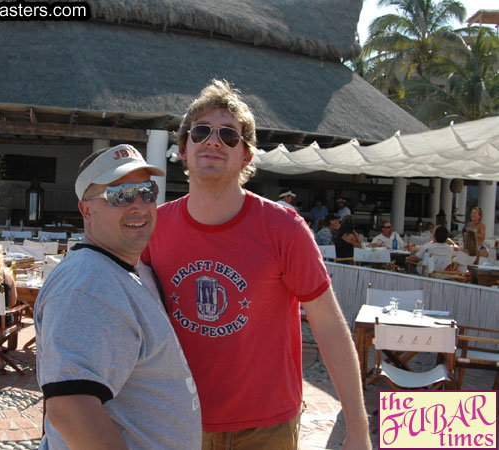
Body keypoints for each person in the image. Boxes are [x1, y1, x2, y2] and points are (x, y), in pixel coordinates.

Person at [142, 80, 369, 449]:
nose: (213, 141)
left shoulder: (284, 228)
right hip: (181, 419)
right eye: (201, 132)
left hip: (268, 429)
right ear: (183, 148)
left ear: (246, 156)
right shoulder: (154, 227)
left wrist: (358, 431)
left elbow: (329, 326)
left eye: (229, 136)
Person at [34, 145, 201, 450]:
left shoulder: (131, 270)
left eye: (147, 192)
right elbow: (71, 410)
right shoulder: (87, 285)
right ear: (87, 211)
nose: (139, 205)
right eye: (120, 195)